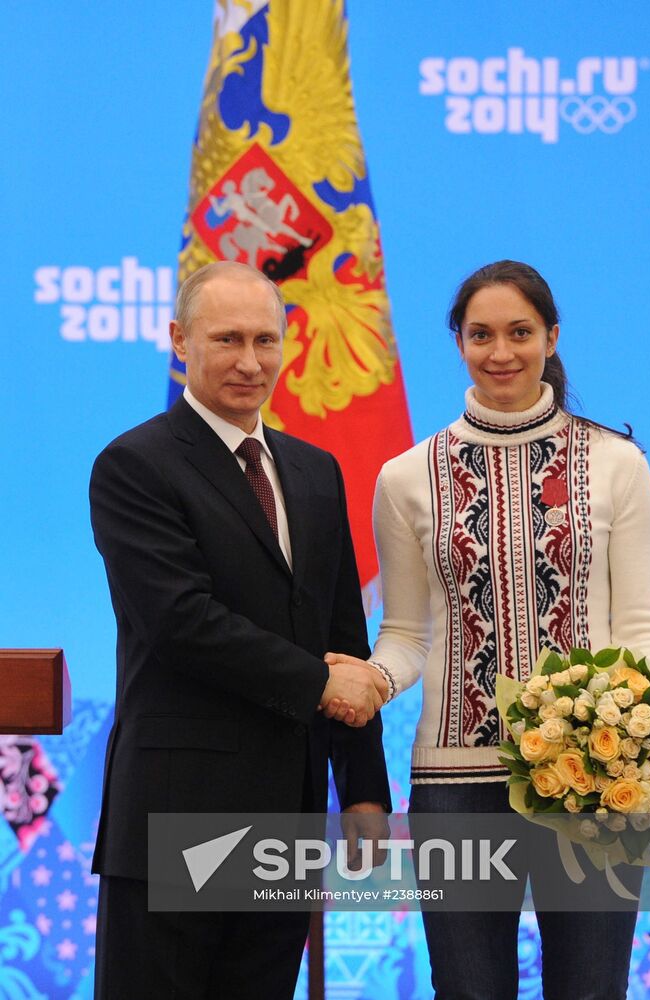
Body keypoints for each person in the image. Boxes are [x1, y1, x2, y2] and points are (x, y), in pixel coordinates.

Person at [327, 260, 650, 999]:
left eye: (519, 332)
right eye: (480, 334)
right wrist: (373, 680)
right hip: (455, 784)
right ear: (457, 342)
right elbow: (407, 633)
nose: (501, 351)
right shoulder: (406, 476)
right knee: (467, 989)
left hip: (593, 779)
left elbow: (640, 628)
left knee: (589, 988)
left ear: (551, 335)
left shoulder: (617, 464)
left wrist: (633, 758)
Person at [89, 260, 390, 999]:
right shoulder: (135, 465)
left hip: (285, 814)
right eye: (226, 339)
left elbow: (342, 631)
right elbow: (181, 623)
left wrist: (362, 789)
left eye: (265, 339)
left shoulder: (315, 471)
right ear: (178, 342)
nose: (250, 361)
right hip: (175, 814)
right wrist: (323, 683)